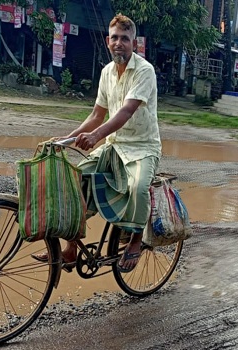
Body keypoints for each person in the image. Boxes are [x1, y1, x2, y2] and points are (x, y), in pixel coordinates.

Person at [34, 14, 160, 273]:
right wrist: (67, 138)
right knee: (76, 180)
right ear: (107, 41)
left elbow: (125, 112)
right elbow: (96, 115)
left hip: (142, 147)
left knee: (137, 187)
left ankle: (136, 240)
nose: (119, 43)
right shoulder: (106, 73)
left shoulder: (145, 71)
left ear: (134, 43)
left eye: (125, 39)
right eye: (114, 38)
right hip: (114, 145)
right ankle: (71, 248)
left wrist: (96, 136)